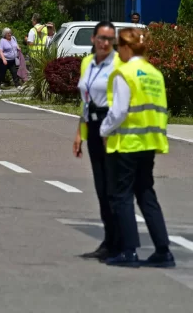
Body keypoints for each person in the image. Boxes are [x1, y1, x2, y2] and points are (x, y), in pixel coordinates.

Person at [100, 27, 174, 268]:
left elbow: (120, 110)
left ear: (126, 47)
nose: (117, 52)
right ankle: (163, 250)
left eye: (118, 47)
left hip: (128, 142)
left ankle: (128, 250)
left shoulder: (126, 72)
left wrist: (103, 130)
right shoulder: (154, 74)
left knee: (121, 196)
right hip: (150, 142)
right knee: (146, 194)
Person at [72, 21, 122, 261]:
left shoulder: (118, 64)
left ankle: (119, 242)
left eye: (110, 39)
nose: (105, 43)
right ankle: (108, 240)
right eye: (101, 38)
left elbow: (121, 103)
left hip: (110, 127)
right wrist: (80, 131)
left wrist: (108, 131)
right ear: (93, 39)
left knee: (114, 188)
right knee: (101, 188)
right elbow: (86, 98)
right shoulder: (87, 63)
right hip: (91, 124)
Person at [0, 28, 23, 92]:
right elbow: (0, 50)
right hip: (3, 59)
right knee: (1, 73)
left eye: (10, 33)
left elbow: (16, 45)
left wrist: (18, 48)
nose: (9, 34)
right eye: (8, 33)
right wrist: (4, 59)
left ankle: (18, 85)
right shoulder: (2, 41)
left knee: (14, 72)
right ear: (4, 34)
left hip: (12, 60)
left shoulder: (13, 38)